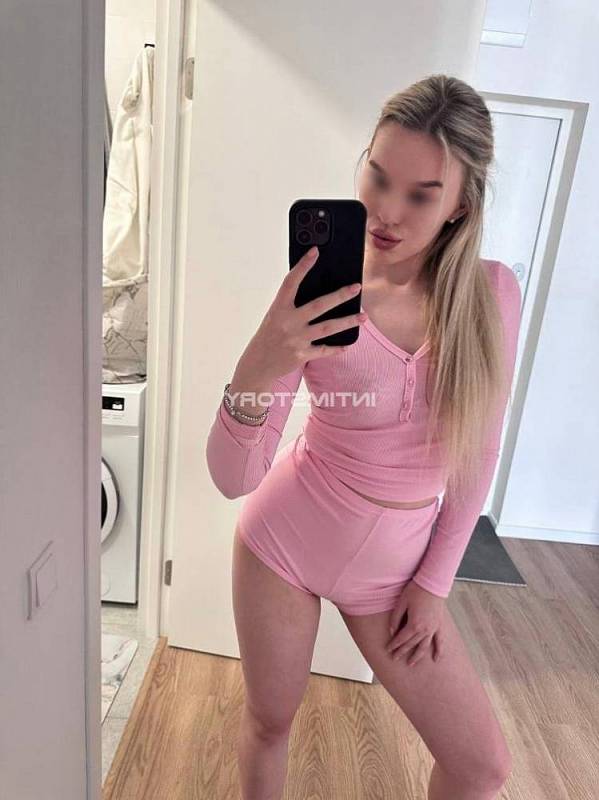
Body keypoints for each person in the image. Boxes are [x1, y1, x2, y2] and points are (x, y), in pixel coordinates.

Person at [206, 74, 522, 800]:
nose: (386, 211)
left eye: (420, 195)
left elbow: (478, 454)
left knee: (482, 766)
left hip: (396, 574)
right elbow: (232, 478)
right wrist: (260, 360)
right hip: (283, 543)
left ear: (460, 204)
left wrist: (433, 584)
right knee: (269, 723)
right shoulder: (320, 295)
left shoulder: (490, 295)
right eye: (377, 177)